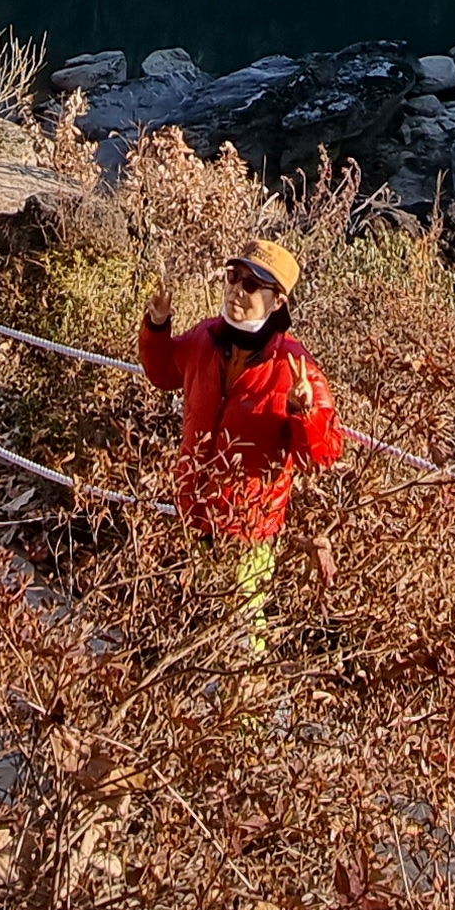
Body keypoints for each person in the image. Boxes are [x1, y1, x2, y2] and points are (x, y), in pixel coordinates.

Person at [137, 237, 346, 638]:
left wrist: (304, 412)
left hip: (248, 532)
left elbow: (323, 454)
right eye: (233, 277)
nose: (236, 290)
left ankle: (250, 681)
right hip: (192, 514)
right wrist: (157, 324)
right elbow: (163, 372)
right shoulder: (205, 337)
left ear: (278, 301)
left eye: (251, 285)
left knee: (242, 636)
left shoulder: (295, 367)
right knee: (189, 628)